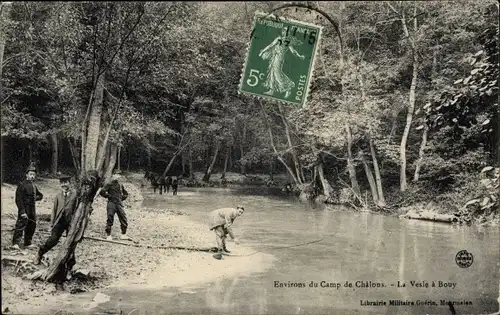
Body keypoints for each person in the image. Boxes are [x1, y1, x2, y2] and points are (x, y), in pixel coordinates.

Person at [33, 175, 78, 265]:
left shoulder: (75, 194)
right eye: (62, 183)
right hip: (59, 221)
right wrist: (52, 224)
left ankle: (70, 265)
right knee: (53, 239)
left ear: (70, 183)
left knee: (70, 243)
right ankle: (40, 253)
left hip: (71, 222)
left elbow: (77, 208)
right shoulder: (58, 195)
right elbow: (54, 210)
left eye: (66, 182)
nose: (64, 185)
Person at [12, 165, 43, 250]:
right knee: (21, 224)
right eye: (30, 174)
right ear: (26, 175)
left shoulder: (33, 186)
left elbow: (40, 195)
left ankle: (27, 243)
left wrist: (36, 198)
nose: (32, 176)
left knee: (32, 224)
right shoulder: (22, 185)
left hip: (32, 208)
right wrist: (22, 211)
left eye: (33, 174)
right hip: (24, 208)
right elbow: (18, 199)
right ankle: (16, 243)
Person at [100, 171, 130, 241]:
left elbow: (126, 194)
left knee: (123, 218)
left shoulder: (120, 185)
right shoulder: (109, 184)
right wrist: (108, 196)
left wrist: (121, 198)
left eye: (119, 175)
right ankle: (108, 235)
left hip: (119, 204)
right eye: (116, 175)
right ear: (113, 175)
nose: (118, 176)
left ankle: (123, 234)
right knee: (110, 218)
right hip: (111, 203)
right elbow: (102, 191)